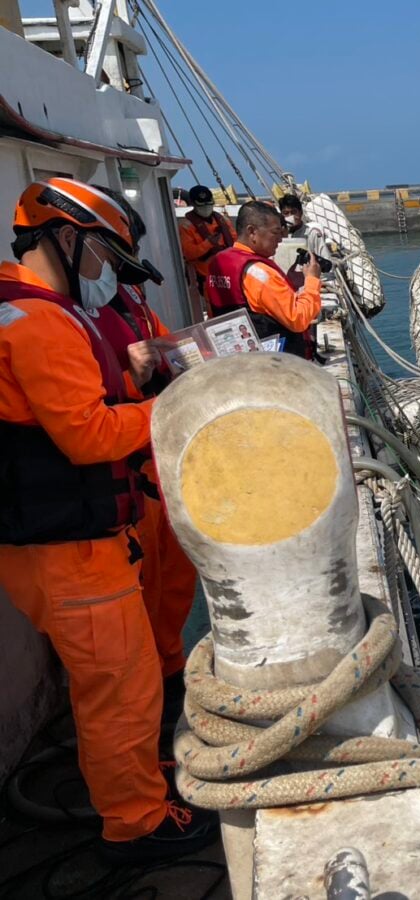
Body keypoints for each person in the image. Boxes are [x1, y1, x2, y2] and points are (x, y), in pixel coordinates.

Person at [0, 177, 215, 862]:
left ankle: (139, 782)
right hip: (72, 553)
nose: (104, 273)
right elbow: (88, 436)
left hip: (65, 544)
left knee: (124, 682)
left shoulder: (30, 310)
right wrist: (172, 410)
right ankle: (137, 823)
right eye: (100, 255)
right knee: (119, 690)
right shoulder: (37, 323)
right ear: (67, 238)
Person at [90, 188, 198, 738]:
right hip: (127, 473)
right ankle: (156, 700)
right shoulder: (77, 320)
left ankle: (172, 669)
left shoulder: (131, 304)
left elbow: (167, 348)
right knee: (142, 595)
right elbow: (90, 413)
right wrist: (137, 379)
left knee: (174, 579)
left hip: (155, 465)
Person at [205, 200, 321, 358]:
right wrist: (312, 281)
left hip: (235, 357)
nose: (280, 240)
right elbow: (298, 320)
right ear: (252, 231)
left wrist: (289, 282)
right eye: (275, 232)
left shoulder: (217, 264)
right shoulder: (261, 273)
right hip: (275, 364)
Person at [177, 185, 234, 292]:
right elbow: (189, 253)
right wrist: (208, 243)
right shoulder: (186, 226)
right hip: (207, 276)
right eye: (202, 205)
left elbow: (235, 242)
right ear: (193, 204)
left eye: (208, 204)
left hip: (229, 271)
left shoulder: (223, 221)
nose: (206, 207)